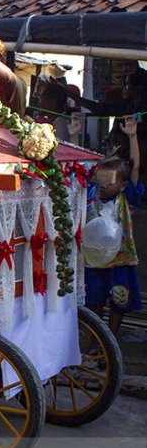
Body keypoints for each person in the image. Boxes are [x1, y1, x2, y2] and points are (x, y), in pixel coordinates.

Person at [85, 116, 143, 336]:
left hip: (120, 260)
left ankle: (111, 337)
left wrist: (132, 136)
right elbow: (79, 171)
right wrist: (73, 136)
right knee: (94, 301)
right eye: (100, 181)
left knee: (119, 299)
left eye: (109, 183)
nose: (103, 187)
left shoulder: (127, 198)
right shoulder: (91, 196)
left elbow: (135, 166)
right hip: (93, 260)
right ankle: (99, 340)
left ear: (123, 185)